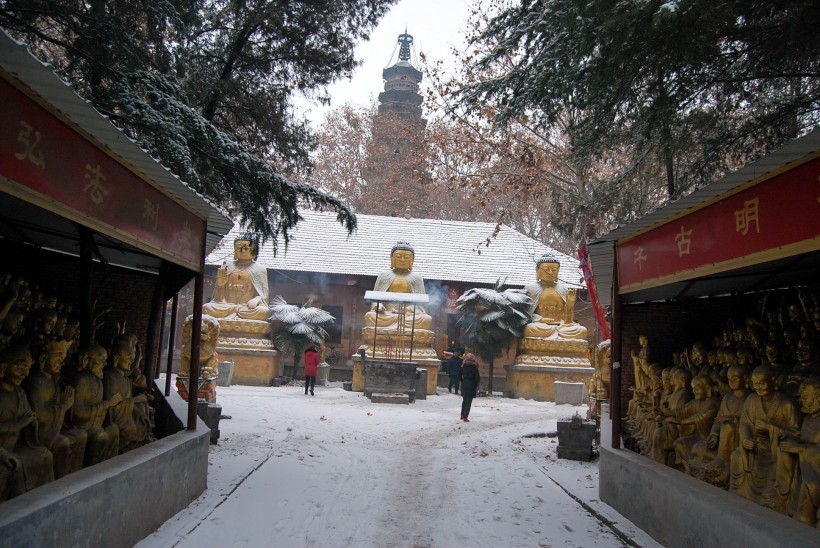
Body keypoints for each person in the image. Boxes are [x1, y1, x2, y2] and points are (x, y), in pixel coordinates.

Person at [202, 234, 270, 321]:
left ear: (254, 251)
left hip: (247, 308)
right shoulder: (227, 266)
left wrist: (257, 299)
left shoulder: (260, 269)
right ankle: (235, 314)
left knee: (264, 312)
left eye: (246, 248)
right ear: (234, 249)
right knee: (206, 307)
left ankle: (237, 314)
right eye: (239, 248)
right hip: (227, 306)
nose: (242, 251)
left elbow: (264, 296)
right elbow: (218, 298)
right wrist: (220, 285)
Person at [460, 353, 480, 422]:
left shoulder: (463, 366)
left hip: (465, 384)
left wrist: (462, 381)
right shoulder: (475, 367)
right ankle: (465, 416)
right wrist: (476, 384)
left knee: (464, 400)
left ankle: (462, 415)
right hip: (471, 385)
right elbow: (477, 378)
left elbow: (459, 375)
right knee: (469, 402)